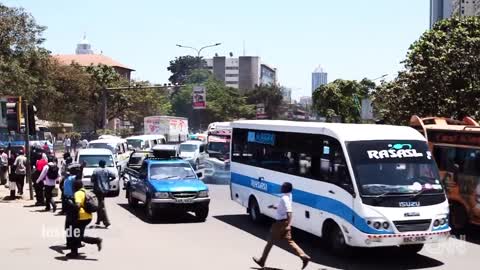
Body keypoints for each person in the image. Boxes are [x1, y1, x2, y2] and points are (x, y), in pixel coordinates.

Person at [253, 182, 310, 270]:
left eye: (282, 186)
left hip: (280, 224)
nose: (281, 187)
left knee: (270, 242)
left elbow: (289, 212)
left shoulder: (284, 198)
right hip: (284, 223)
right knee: (290, 241)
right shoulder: (289, 196)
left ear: (285, 189)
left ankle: (262, 260)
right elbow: (282, 208)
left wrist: (289, 225)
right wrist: (274, 207)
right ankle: (303, 256)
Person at [67, 180, 102, 258]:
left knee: (73, 234)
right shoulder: (86, 191)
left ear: (75, 187)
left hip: (81, 217)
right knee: (79, 235)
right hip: (88, 217)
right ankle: (96, 241)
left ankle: (74, 253)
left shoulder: (78, 194)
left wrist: (70, 203)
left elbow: (78, 206)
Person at [91, 160, 114, 228]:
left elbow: (92, 179)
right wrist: (108, 181)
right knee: (99, 204)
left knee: (101, 205)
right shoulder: (107, 170)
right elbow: (114, 176)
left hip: (98, 189)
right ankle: (98, 220)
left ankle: (106, 222)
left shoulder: (96, 171)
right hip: (105, 189)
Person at [64, 163, 82, 249]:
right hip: (73, 202)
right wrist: (82, 168)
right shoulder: (73, 179)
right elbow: (79, 176)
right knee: (76, 224)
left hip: (67, 201)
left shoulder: (66, 179)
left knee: (69, 224)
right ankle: (76, 243)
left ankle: (69, 242)